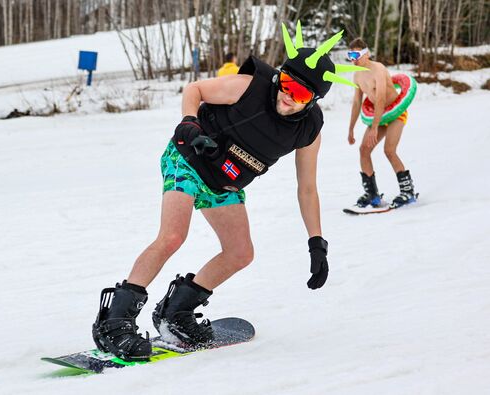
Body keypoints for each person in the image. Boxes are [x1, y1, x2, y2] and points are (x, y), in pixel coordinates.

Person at [91, 22, 366, 362]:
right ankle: (114, 321)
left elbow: (307, 189)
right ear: (279, 77)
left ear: (314, 101)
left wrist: (316, 243)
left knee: (240, 252)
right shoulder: (249, 86)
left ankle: (175, 313)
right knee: (173, 236)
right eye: (287, 85)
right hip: (189, 159)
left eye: (301, 95)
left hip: (224, 182)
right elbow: (195, 89)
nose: (288, 97)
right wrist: (189, 123)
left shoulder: (308, 131)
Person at [346, 38, 416, 208]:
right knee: (364, 150)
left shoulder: (378, 69)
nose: (353, 59)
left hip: (395, 114)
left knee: (389, 150)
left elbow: (381, 98)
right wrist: (351, 129)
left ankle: (408, 191)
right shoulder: (357, 75)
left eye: (356, 54)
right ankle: (372, 195)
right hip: (378, 116)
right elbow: (356, 103)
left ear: (366, 53)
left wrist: (375, 127)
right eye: (350, 55)